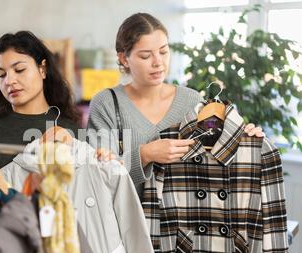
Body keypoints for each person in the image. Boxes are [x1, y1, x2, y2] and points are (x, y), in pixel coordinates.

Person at [87, 13, 263, 195]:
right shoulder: (106, 104)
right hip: (125, 222)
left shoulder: (192, 101)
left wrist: (242, 134)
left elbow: (215, 140)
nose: (158, 63)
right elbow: (98, 177)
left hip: (184, 219)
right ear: (124, 59)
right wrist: (144, 155)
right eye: (146, 56)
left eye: (163, 52)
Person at [0, 31, 81, 176]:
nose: (9, 81)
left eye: (19, 70)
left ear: (43, 69)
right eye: (1, 74)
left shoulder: (68, 129)